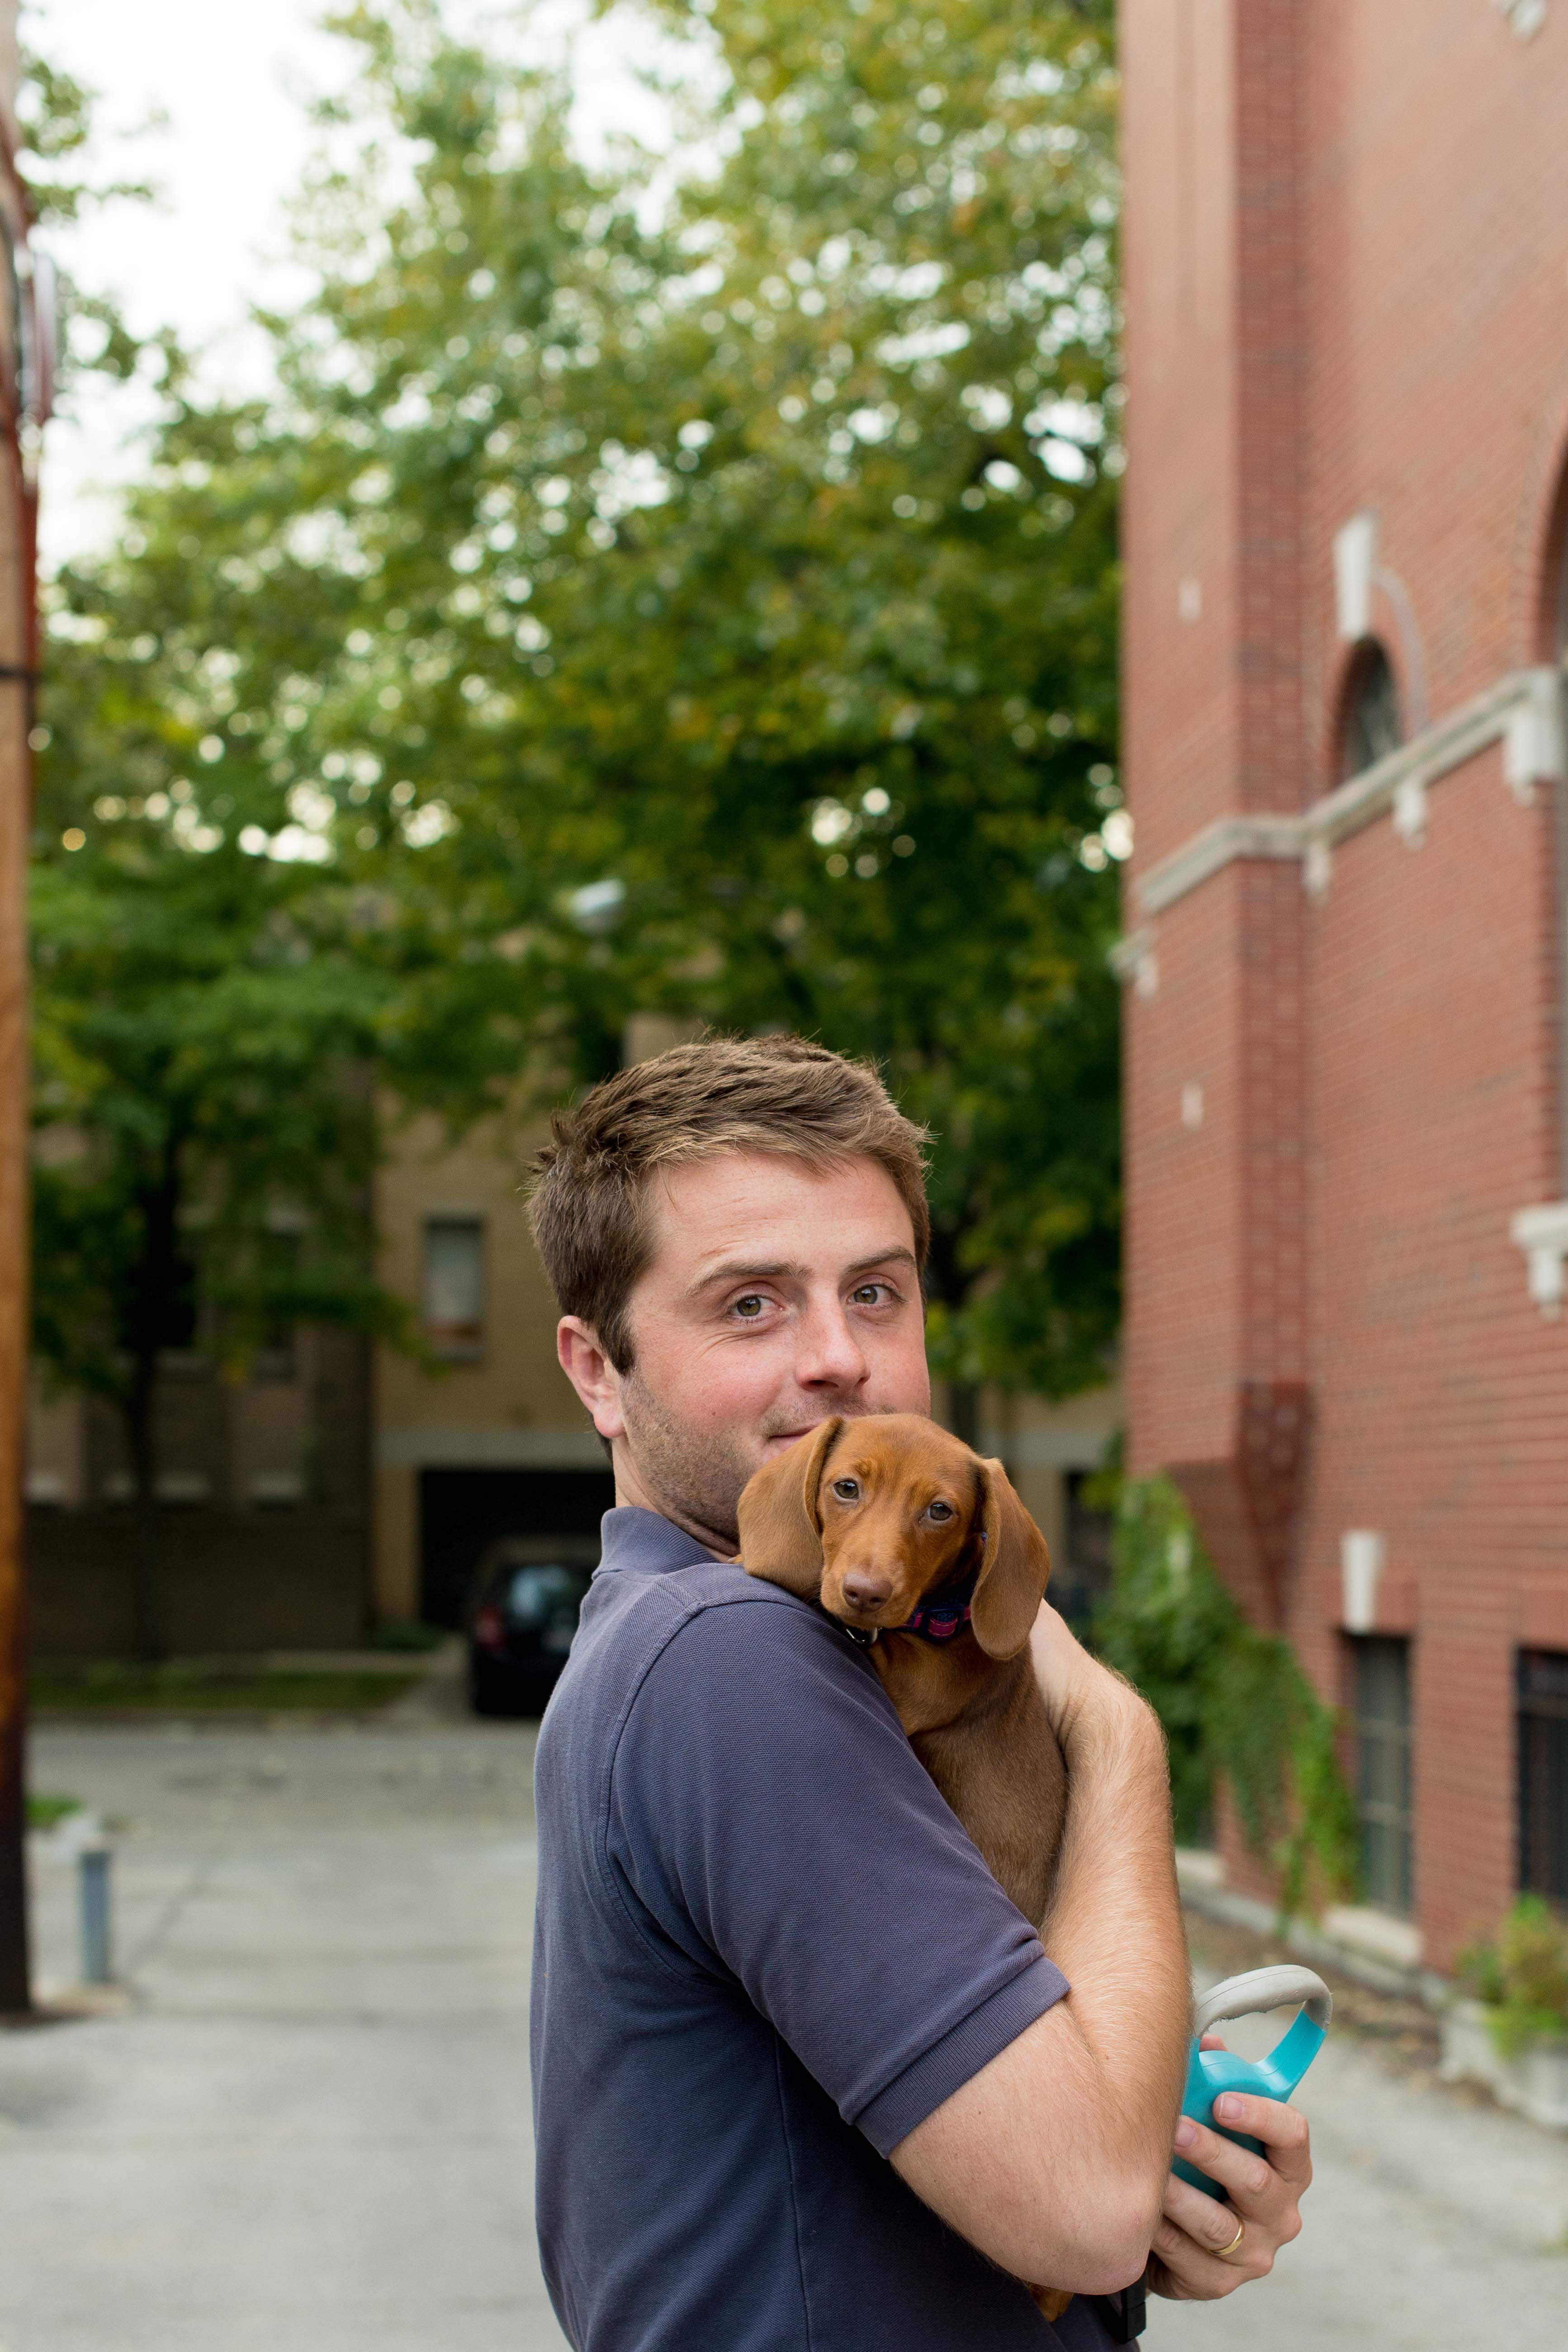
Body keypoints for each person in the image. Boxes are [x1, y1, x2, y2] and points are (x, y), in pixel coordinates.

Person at [528, 1035, 1310, 2352]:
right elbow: (1078, 2208)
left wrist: (1158, 2162)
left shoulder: (689, 1646)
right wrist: (1119, 1739)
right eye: (750, 1304)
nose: (840, 1356)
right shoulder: (729, 1654)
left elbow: (1041, 2180)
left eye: (877, 1292)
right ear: (597, 1371)